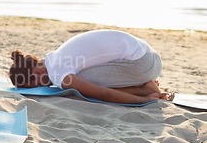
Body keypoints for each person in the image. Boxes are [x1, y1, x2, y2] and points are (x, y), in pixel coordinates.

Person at [9, 29, 174, 104]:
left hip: (143, 64)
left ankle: (145, 89)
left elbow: (104, 94)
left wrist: (144, 100)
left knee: (79, 87)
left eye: (37, 84)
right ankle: (141, 82)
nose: (45, 86)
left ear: (36, 72)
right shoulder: (58, 55)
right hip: (148, 54)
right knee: (82, 77)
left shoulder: (58, 73)